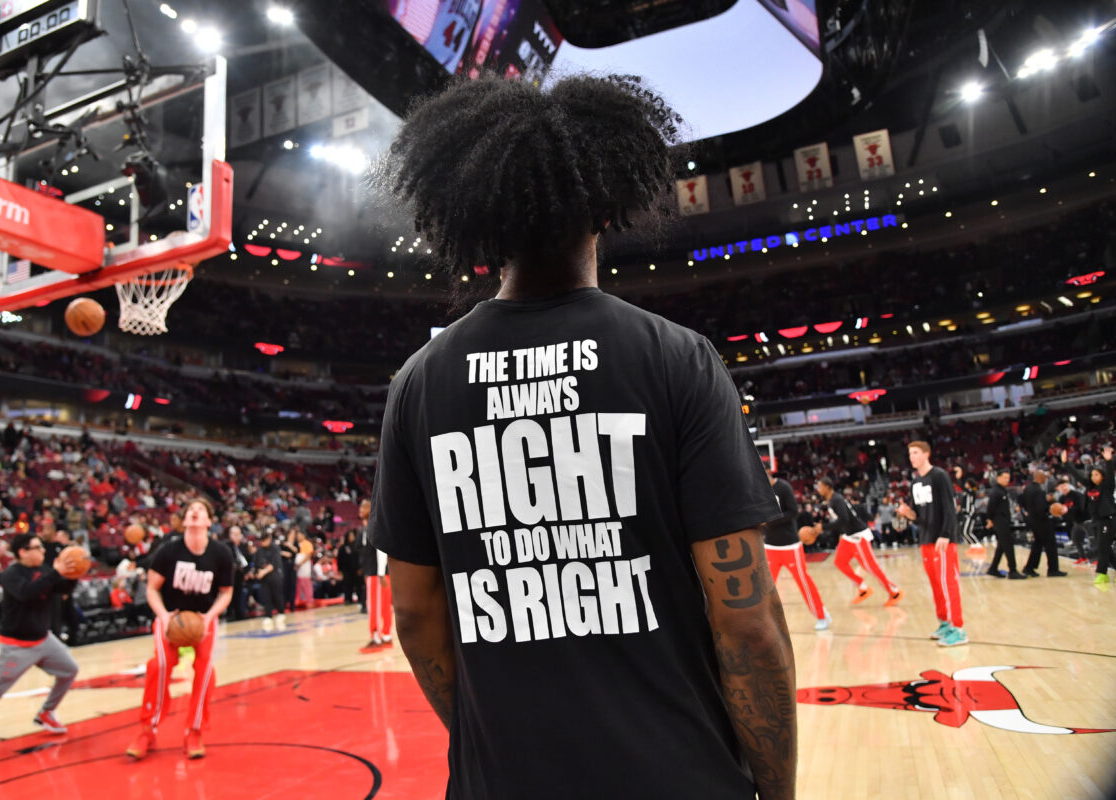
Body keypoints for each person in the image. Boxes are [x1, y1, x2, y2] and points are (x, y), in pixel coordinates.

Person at [369, 73, 796, 799]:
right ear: (606, 202)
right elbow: (746, 619)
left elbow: (411, 610)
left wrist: (488, 741)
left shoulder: (418, 382)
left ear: (478, 215)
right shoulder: (676, 358)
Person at [126, 498, 233, 761]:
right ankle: (148, 730)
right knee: (159, 665)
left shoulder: (221, 553)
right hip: (171, 618)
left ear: (209, 521)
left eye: (201, 509)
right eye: (191, 510)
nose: (195, 512)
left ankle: (194, 730)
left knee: (206, 670)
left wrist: (209, 616)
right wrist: (163, 616)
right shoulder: (168, 551)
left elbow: (226, 592)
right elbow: (151, 588)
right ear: (184, 520)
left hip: (202, 620)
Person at [0, 533, 79, 750]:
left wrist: (74, 574)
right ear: (23, 551)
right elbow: (27, 593)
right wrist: (55, 574)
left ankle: (46, 712)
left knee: (69, 669)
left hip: (43, 639)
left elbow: (63, 590)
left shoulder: (44, 571)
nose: (42, 551)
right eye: (37, 547)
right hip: (15, 645)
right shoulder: (11, 574)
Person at [896, 441, 968, 646]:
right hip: (925, 540)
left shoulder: (939, 476)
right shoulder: (915, 482)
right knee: (936, 585)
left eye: (916, 453)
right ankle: (945, 622)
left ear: (926, 454)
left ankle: (959, 629)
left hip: (942, 540)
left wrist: (946, 534)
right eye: (910, 453)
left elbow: (949, 507)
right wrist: (907, 513)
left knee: (948, 584)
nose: (912, 457)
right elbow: (918, 516)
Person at [815, 477, 902, 607]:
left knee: (870, 567)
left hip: (858, 536)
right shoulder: (832, 500)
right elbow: (844, 521)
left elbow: (844, 520)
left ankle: (894, 591)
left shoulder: (836, 500)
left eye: (820, 486)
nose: (818, 489)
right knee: (839, 562)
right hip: (849, 536)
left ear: (827, 487)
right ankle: (862, 588)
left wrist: (823, 527)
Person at [767, 472, 830, 630]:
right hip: (769, 546)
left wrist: (771, 520)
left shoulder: (784, 487)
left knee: (804, 582)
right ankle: (765, 621)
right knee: (765, 585)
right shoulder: (759, 488)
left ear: (768, 472)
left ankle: (821, 615)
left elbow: (793, 512)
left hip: (790, 546)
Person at [1061, 446, 1114, 584]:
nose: (1094, 477)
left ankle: (1102, 574)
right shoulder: (1090, 487)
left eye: (1097, 474)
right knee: (1105, 548)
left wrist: (1109, 461)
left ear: (1102, 476)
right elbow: (1077, 475)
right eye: (1092, 475)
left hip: (1108, 520)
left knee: (1102, 547)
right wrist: (1066, 463)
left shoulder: (1107, 486)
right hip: (1096, 521)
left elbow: (1110, 474)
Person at [358, 501, 393, 649]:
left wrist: (380, 573)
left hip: (377, 574)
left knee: (375, 606)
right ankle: (386, 635)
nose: (360, 509)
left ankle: (376, 637)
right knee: (384, 606)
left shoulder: (373, 526)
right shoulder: (369, 527)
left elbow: (381, 549)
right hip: (378, 573)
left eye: (363, 507)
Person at [1019, 468, 1066, 578]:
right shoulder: (1038, 490)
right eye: (1044, 476)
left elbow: (1023, 504)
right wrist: (1050, 505)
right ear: (1039, 477)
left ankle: (1029, 568)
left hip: (1032, 520)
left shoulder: (1027, 489)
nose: (1045, 478)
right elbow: (1041, 508)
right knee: (1050, 545)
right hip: (1042, 521)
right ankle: (1053, 570)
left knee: (1037, 544)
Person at [983, 469, 1025, 580]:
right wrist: (990, 520)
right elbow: (990, 507)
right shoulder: (996, 491)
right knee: (1008, 545)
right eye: (1005, 477)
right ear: (998, 478)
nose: (1007, 480)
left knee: (1002, 546)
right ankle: (1013, 570)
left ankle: (993, 568)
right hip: (1000, 521)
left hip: (1004, 520)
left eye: (1008, 477)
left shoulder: (1002, 490)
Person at [253, 528, 286, 630]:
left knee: (277, 595)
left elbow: (274, 564)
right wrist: (258, 572)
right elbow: (256, 564)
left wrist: (264, 571)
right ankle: (268, 615)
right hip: (264, 579)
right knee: (266, 596)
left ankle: (281, 612)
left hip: (275, 576)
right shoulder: (259, 551)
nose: (263, 542)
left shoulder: (275, 549)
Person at [336, 529, 362, 609]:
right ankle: (348, 599)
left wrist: (360, 568)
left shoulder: (357, 546)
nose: (351, 537)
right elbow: (339, 559)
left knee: (358, 585)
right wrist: (339, 570)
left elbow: (360, 558)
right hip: (346, 570)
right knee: (347, 585)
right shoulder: (343, 547)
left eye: (352, 536)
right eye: (350, 536)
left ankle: (360, 599)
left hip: (356, 569)